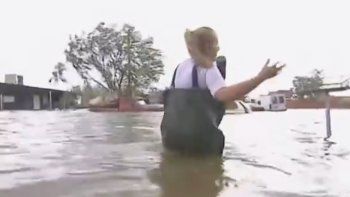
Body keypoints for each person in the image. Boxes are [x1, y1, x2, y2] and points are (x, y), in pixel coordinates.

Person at [160, 26, 285, 156]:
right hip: (198, 141)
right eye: (216, 44)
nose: (218, 49)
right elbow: (224, 95)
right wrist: (261, 78)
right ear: (208, 46)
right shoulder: (208, 68)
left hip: (171, 139)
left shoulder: (180, 67)